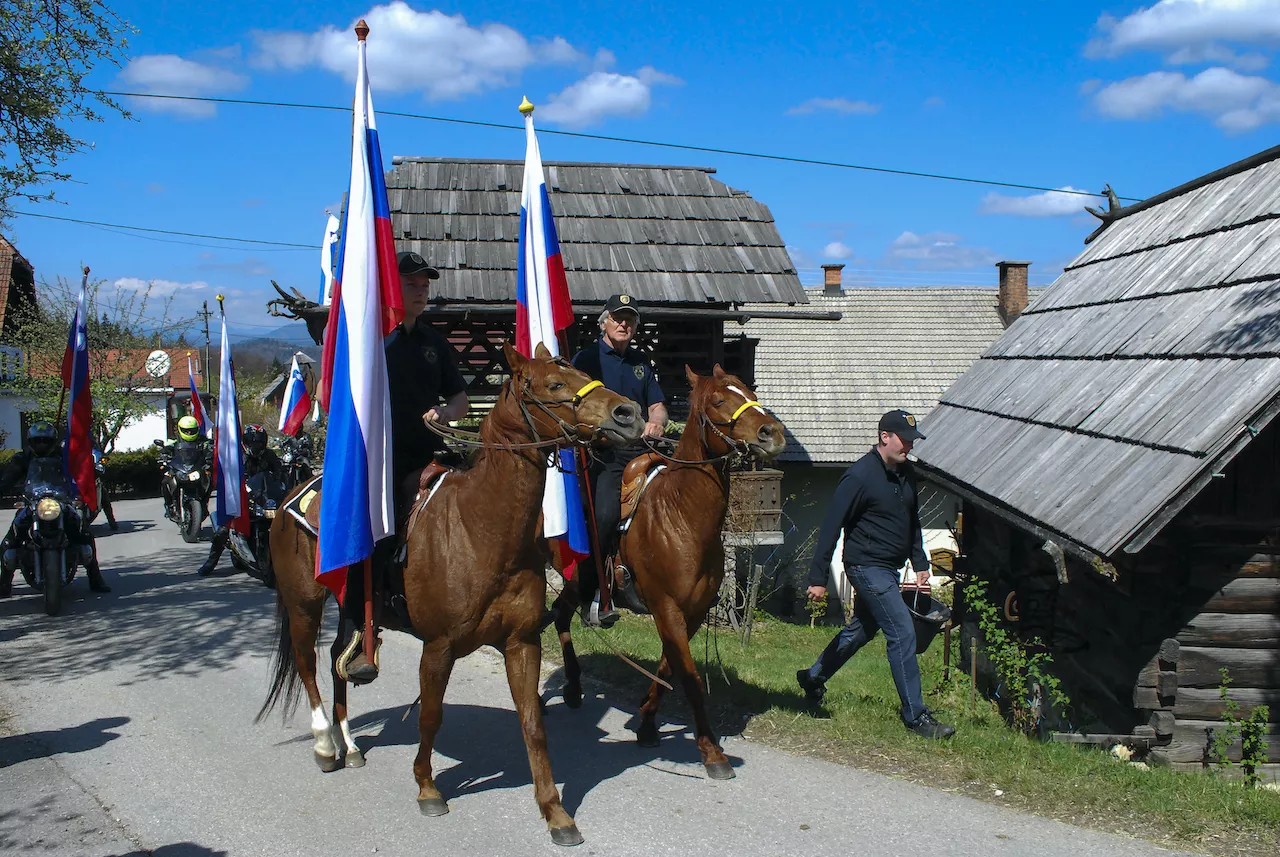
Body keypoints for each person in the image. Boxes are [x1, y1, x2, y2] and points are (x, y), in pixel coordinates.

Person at [339, 250, 470, 684]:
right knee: (377, 532)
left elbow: (460, 399)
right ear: (392, 289)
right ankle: (359, 625)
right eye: (411, 283)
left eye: (424, 284)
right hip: (379, 460)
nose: (420, 290)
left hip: (430, 454)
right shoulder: (370, 339)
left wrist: (446, 413)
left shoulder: (435, 343)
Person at [795, 409, 955, 740]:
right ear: (885, 437)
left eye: (912, 440)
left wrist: (921, 562)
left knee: (862, 630)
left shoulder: (906, 474)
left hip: (889, 569)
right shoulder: (859, 476)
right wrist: (818, 578)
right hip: (865, 567)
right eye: (904, 440)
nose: (909, 446)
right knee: (902, 632)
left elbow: (912, 521)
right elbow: (831, 526)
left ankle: (812, 677)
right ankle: (916, 717)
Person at [570, 293, 667, 627]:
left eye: (630, 319)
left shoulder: (641, 362)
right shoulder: (586, 359)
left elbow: (657, 405)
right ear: (605, 322)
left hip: (644, 450)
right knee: (604, 517)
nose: (624, 324)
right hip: (605, 455)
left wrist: (658, 422)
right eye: (618, 318)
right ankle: (591, 595)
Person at [0, 421, 111, 596]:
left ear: (53, 441)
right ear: (31, 441)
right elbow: (9, 478)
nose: (42, 444)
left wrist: (91, 471)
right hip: (32, 503)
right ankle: (4, 584)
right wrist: (3, 487)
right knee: (9, 540)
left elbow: (80, 471)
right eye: (38, 440)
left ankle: (95, 579)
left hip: (60, 501)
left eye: (46, 440)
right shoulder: (22, 458)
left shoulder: (64, 457)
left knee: (84, 535)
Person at [196, 424, 282, 576]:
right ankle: (210, 562)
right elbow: (227, 472)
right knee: (224, 529)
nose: (256, 445)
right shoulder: (237, 456)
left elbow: (278, 471)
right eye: (253, 442)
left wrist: (281, 483)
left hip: (262, 497)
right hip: (240, 495)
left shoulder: (269, 455)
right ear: (246, 442)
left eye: (259, 442)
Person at [163, 415, 211, 523]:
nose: (189, 433)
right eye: (186, 431)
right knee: (165, 480)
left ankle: (204, 505)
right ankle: (169, 505)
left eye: (192, 430)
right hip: (179, 467)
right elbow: (166, 448)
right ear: (180, 429)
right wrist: (164, 454)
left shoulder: (202, 440)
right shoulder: (174, 439)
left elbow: (210, 448)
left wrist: (210, 455)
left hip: (195, 468)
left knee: (210, 480)